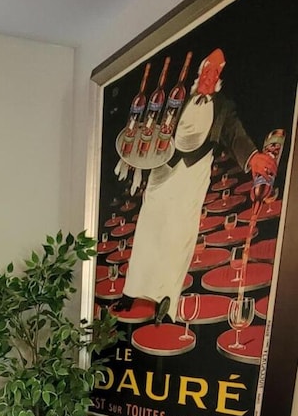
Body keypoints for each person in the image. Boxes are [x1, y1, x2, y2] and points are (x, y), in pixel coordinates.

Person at [115, 49, 277, 322]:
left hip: (194, 175)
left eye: (215, 72)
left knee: (179, 235)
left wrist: (253, 157)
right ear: (199, 73)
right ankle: (132, 292)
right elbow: (151, 127)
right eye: (206, 71)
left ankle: (166, 298)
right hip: (164, 171)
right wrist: (135, 157)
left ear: (219, 77)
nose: (209, 76)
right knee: (148, 230)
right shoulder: (177, 100)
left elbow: (234, 134)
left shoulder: (224, 106)